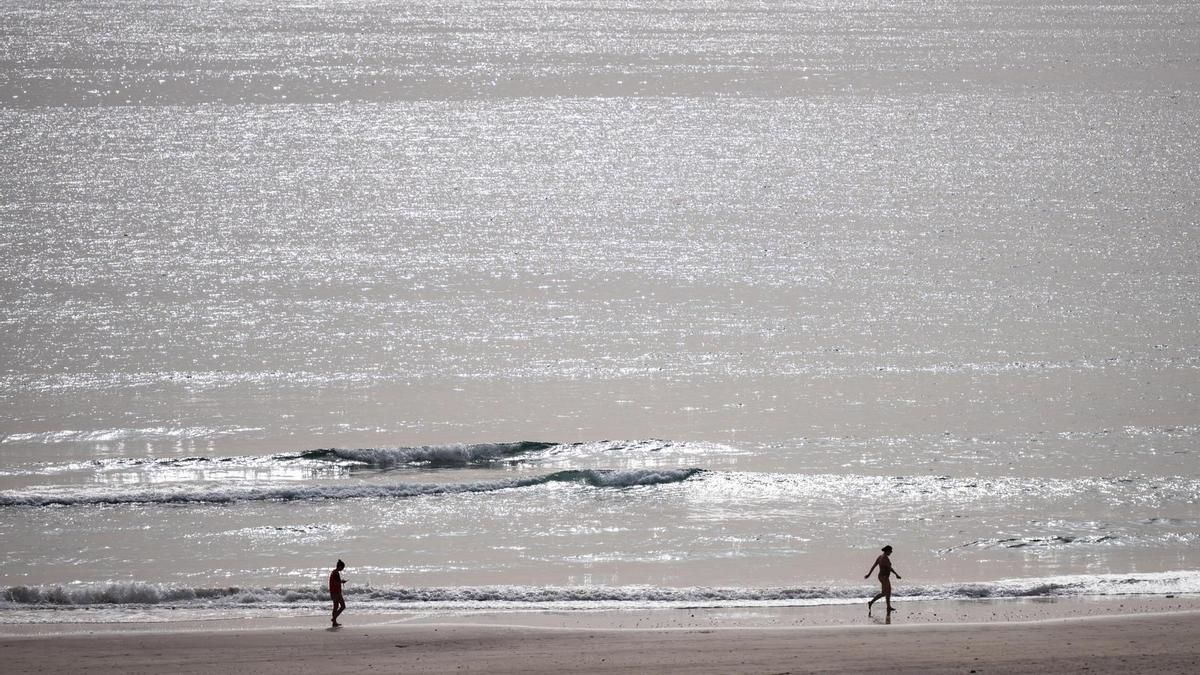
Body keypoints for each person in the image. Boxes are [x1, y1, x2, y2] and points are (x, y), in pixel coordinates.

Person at [864, 545, 900, 615]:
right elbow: (890, 568)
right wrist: (896, 574)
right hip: (883, 577)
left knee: (888, 592)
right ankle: (871, 602)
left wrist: (869, 574)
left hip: (882, 577)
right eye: (890, 551)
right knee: (884, 593)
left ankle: (888, 606)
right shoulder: (884, 558)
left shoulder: (880, 557)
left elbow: (873, 566)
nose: (891, 552)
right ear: (887, 551)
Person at [329, 559, 347, 626]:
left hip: (333, 592)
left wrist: (341, 581)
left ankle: (334, 622)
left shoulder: (334, 572)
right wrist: (342, 581)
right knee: (343, 606)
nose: (342, 569)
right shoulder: (335, 573)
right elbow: (336, 582)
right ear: (339, 566)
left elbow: (335, 582)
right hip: (336, 592)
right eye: (342, 567)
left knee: (335, 607)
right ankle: (334, 618)